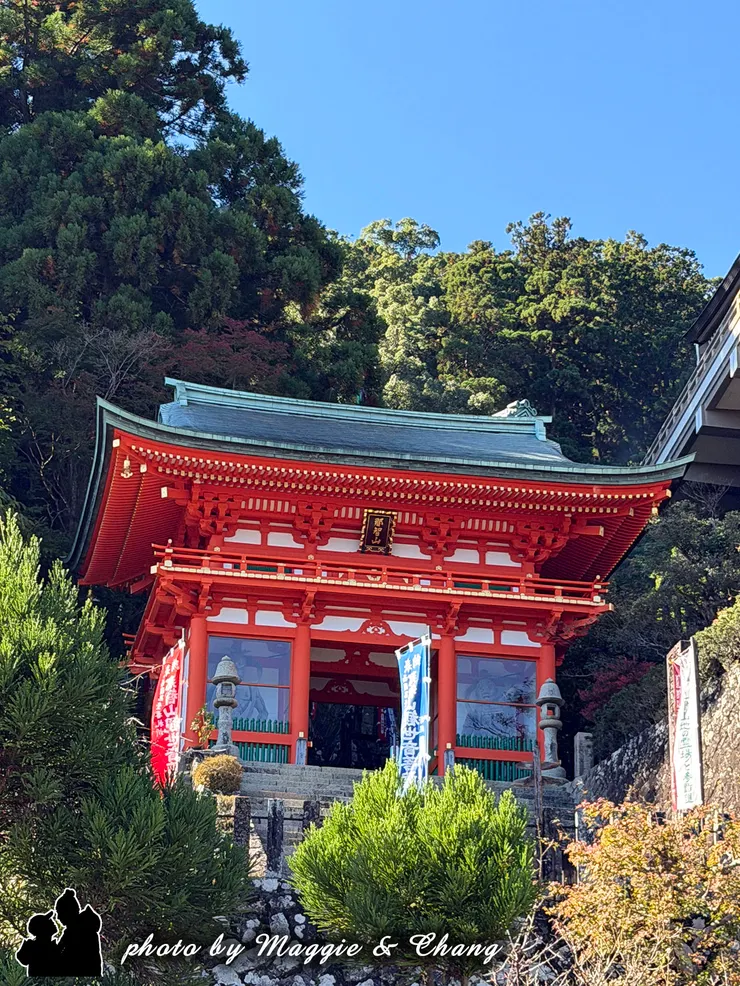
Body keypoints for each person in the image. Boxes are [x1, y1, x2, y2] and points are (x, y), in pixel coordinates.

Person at [54, 888, 103, 976]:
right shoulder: (74, 929)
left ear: (67, 912)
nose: (57, 917)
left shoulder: (75, 931)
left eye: (59, 913)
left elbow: (59, 953)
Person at [15, 911, 61, 977]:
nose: (53, 921)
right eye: (48, 921)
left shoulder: (53, 944)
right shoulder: (34, 947)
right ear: (42, 927)